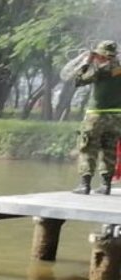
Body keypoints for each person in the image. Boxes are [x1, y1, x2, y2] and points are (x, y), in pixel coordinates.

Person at [74, 40, 121, 195]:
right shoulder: (119, 68)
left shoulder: (100, 69)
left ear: (101, 55)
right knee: (110, 149)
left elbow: (79, 80)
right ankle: (106, 185)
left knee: (88, 148)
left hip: (96, 116)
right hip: (116, 118)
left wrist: (87, 62)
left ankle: (84, 185)